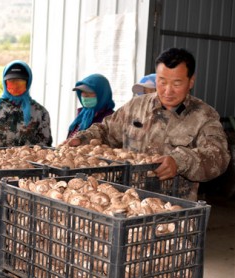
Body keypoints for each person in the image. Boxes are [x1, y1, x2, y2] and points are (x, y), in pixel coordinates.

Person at [67, 48, 230, 200]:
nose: (167, 91)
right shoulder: (135, 107)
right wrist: (83, 138)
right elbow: (105, 129)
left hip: (173, 209)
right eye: (162, 82)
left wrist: (180, 161)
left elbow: (218, 157)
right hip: (128, 202)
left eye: (177, 83)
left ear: (191, 81)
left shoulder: (203, 116)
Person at [0, 60, 52, 147]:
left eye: (20, 82)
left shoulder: (40, 113)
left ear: (28, 83)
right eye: (11, 82)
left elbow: (45, 145)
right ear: (5, 83)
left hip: (26, 159)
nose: (15, 86)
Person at [67, 73, 115, 139]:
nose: (85, 95)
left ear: (102, 95)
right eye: (82, 92)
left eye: (90, 92)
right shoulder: (82, 114)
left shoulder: (110, 118)